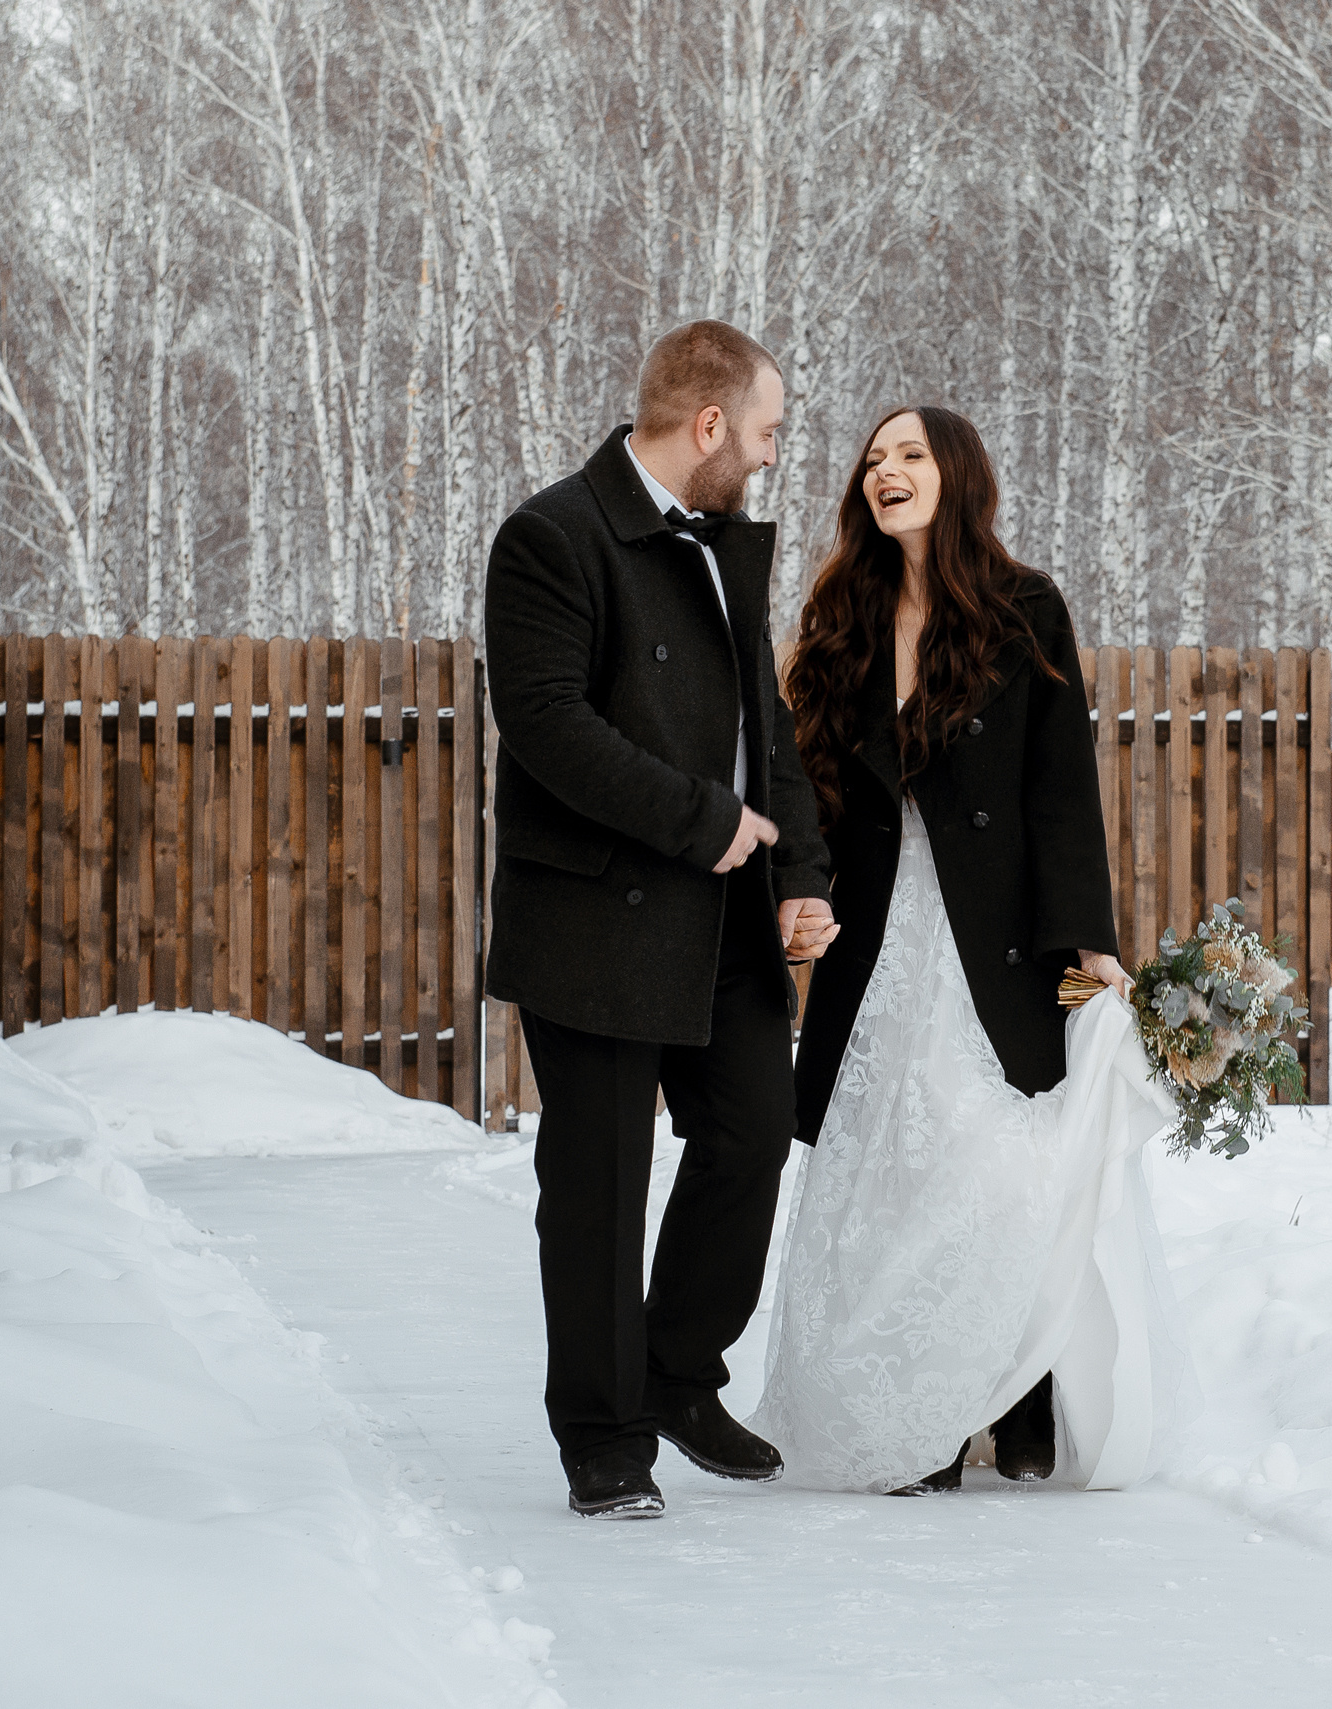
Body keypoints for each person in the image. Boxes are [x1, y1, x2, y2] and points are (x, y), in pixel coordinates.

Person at [748, 405, 1195, 1494]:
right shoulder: (844, 611)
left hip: (991, 940)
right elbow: (804, 779)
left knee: (989, 1165)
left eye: (907, 454)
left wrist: (1085, 946)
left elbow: (1059, 792)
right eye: (870, 459)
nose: (883, 472)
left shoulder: (1024, 607)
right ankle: (918, 1421)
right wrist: (796, 888)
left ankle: (1007, 1391)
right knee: (886, 1168)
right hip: (875, 936)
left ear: (955, 475)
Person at [483, 320, 839, 1520]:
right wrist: (705, 821)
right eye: (766, 431)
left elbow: (764, 723)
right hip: (596, 914)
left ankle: (678, 1374)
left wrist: (802, 871)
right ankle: (602, 1436)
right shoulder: (550, 535)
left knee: (749, 1134)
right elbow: (546, 726)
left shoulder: (724, 541)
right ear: (707, 427)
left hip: (727, 903)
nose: (772, 455)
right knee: (597, 1181)